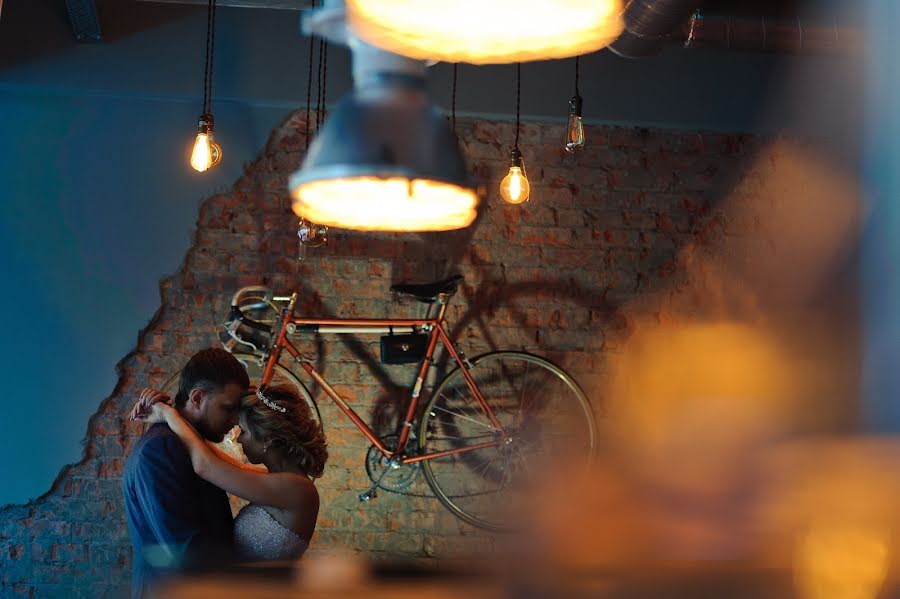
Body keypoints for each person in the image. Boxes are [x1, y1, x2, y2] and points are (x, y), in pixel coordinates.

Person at [133, 383, 327, 564]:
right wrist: (177, 413)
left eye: (243, 431)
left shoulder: (298, 489)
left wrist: (169, 414)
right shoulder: (277, 480)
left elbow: (205, 465)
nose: (239, 440)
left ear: (267, 439)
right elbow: (209, 455)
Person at [123, 347, 250, 598]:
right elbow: (184, 549)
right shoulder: (161, 448)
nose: (235, 420)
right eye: (228, 408)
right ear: (197, 398)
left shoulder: (186, 444)